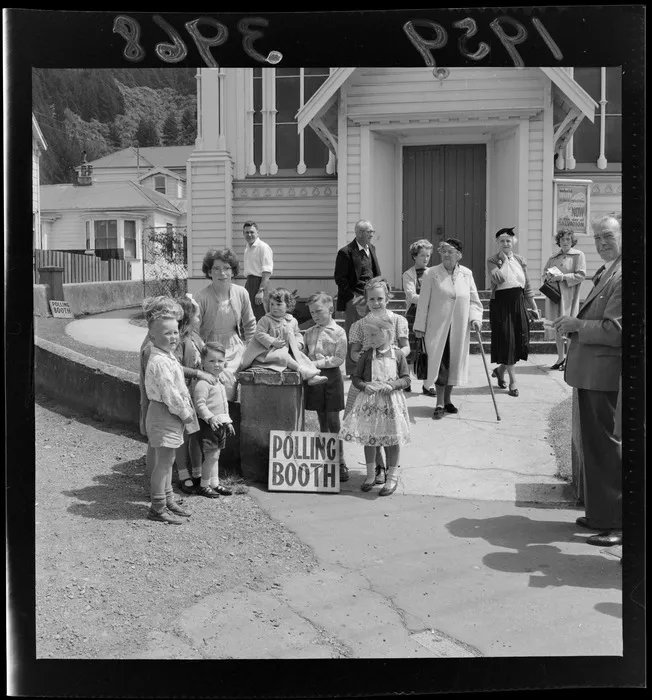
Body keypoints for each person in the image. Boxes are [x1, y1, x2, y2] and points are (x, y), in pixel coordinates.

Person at [554, 214, 622, 547]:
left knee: (607, 448)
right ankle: (600, 513)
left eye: (607, 236)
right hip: (591, 373)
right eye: (596, 238)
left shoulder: (624, 275)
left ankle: (618, 522)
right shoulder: (608, 270)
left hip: (604, 375)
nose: (601, 243)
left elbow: (615, 331)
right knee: (594, 448)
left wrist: (575, 326)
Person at [345, 276, 410, 484]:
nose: (376, 303)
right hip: (367, 379)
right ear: (367, 300)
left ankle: (390, 471)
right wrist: (366, 357)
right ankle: (377, 469)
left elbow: (406, 346)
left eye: (380, 299)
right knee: (368, 426)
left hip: (388, 376)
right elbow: (354, 352)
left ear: (387, 298)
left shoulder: (398, 320)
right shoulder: (359, 325)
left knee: (388, 426)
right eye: (371, 299)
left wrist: (393, 353)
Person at [414, 238, 483, 419]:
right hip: (437, 327)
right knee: (440, 364)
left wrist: (475, 319)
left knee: (454, 364)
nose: (446, 254)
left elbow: (475, 301)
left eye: (450, 251)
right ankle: (438, 402)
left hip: (458, 328)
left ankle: (448, 400)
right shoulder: (431, 273)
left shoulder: (467, 274)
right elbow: (423, 302)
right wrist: (419, 326)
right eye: (443, 251)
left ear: (459, 255)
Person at [144, 301, 200, 524]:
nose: (174, 337)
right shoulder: (158, 361)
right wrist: (186, 413)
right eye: (167, 333)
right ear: (153, 338)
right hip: (164, 413)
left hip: (171, 414)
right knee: (164, 463)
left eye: (176, 332)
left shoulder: (168, 357)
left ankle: (168, 499)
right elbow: (170, 394)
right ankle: (157, 507)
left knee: (169, 459)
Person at [194, 247, 257, 402]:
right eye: (216, 269)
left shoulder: (241, 293)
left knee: (230, 381)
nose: (222, 273)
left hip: (234, 346)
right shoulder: (201, 297)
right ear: (209, 272)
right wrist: (202, 352)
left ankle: (230, 415)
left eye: (226, 268)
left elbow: (250, 324)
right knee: (215, 383)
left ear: (233, 271)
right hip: (210, 347)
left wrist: (250, 348)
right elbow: (194, 332)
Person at [173, 295, 219, 495]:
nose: (199, 319)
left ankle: (197, 472)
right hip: (184, 393)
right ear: (188, 317)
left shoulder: (195, 337)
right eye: (197, 316)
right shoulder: (180, 340)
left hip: (196, 394)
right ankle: (183, 473)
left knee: (196, 434)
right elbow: (175, 366)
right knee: (184, 435)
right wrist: (198, 373)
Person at [487, 227, 540, 397]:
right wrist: (504, 260)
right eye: (502, 241)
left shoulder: (520, 260)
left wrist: (534, 306)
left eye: (508, 240)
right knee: (507, 340)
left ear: (513, 242)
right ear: (497, 243)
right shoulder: (493, 260)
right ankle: (513, 381)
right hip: (501, 304)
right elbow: (499, 279)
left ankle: (500, 370)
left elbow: (527, 286)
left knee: (518, 341)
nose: (505, 243)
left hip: (518, 302)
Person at [238, 287, 328, 385]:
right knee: (284, 356)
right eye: (272, 304)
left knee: (302, 357)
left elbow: (297, 333)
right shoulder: (266, 320)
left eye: (279, 304)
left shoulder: (292, 321)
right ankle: (304, 372)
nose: (274, 307)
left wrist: (299, 343)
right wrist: (272, 341)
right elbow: (259, 333)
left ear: (288, 306)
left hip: (287, 349)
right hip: (267, 352)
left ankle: (312, 377)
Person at [304, 292, 349, 482]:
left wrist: (318, 364)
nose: (315, 315)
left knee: (334, 421)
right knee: (321, 418)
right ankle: (326, 460)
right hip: (315, 378)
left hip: (331, 377)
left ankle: (340, 461)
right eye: (312, 312)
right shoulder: (309, 332)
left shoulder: (339, 332)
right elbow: (305, 354)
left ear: (330, 309)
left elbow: (339, 358)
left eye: (319, 311)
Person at [139, 295, 184, 480]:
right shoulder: (152, 347)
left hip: (156, 400)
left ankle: (158, 485)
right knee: (156, 446)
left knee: (158, 447)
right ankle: (154, 485)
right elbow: (162, 383)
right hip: (157, 402)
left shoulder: (156, 342)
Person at [334, 220, 382, 375]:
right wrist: (353, 298)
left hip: (371, 298)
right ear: (359, 233)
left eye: (372, 232)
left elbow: (376, 273)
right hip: (355, 299)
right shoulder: (346, 252)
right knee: (355, 334)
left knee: (374, 331)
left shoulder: (371, 248)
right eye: (370, 232)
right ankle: (354, 370)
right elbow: (340, 278)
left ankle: (370, 366)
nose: (372, 235)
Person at [192, 342, 236, 499]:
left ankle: (214, 483)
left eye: (220, 361)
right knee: (211, 456)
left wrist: (228, 421)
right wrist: (210, 418)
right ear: (203, 362)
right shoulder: (203, 383)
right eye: (211, 361)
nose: (216, 364)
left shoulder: (218, 381)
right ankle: (204, 485)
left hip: (220, 425)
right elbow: (200, 404)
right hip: (208, 425)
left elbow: (223, 404)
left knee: (216, 455)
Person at [542, 228, 587, 370]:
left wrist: (563, 277)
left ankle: (569, 360)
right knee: (557, 326)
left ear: (572, 241)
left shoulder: (578, 255)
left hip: (569, 297)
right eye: (562, 240)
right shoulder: (553, 258)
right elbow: (544, 274)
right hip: (554, 296)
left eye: (568, 239)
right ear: (559, 242)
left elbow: (581, 275)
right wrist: (548, 276)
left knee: (568, 327)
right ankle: (560, 358)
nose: (565, 242)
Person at [402, 238, 434, 394]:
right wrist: (430, 298)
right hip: (414, 313)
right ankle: (406, 379)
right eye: (423, 255)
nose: (426, 259)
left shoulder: (433, 273)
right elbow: (411, 296)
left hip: (431, 314)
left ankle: (428, 384)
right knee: (412, 347)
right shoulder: (408, 274)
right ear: (415, 256)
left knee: (429, 348)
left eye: (428, 255)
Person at [242, 221, 274, 321]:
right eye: (246, 232)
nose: (249, 235)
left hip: (260, 283)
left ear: (257, 233)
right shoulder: (247, 248)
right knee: (250, 314)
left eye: (252, 232)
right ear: (243, 234)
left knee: (262, 314)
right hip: (249, 283)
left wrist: (261, 291)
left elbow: (267, 270)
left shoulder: (263, 247)